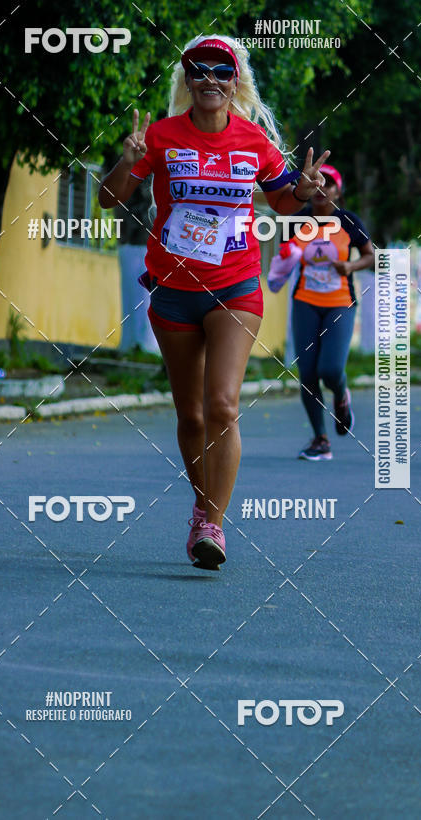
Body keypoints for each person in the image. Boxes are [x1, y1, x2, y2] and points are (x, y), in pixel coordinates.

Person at [99, 34, 329, 568]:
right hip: (173, 293)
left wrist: (305, 190)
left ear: (234, 80)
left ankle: (211, 522)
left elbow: (282, 200)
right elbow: (111, 199)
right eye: (197, 69)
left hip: (236, 286)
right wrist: (125, 160)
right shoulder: (159, 136)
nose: (209, 79)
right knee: (191, 415)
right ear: (186, 79)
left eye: (220, 70)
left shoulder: (253, 141)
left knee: (222, 404)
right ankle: (203, 506)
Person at [268, 164, 374, 460]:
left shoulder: (348, 221)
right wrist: (288, 258)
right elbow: (284, 257)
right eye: (315, 184)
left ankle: (341, 397)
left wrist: (350, 266)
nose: (320, 189)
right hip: (305, 302)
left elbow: (370, 256)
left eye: (327, 184)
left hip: (340, 303)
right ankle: (320, 440)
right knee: (309, 373)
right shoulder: (295, 221)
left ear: (337, 191)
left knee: (330, 370)